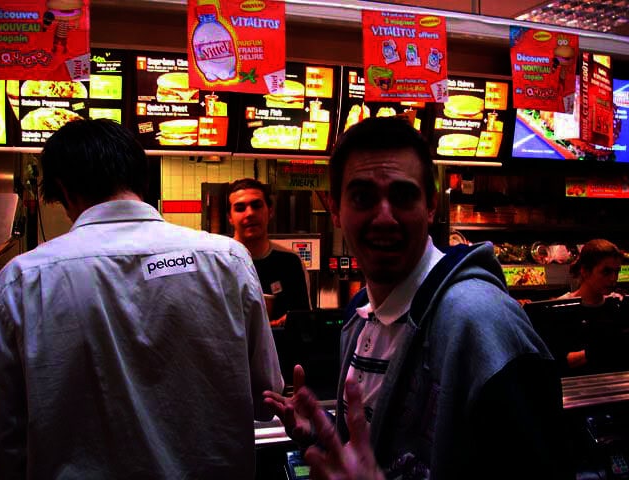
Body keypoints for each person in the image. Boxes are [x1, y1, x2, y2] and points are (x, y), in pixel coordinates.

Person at [265, 116, 568, 479]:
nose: (384, 218)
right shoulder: (360, 314)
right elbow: (379, 449)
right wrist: (321, 431)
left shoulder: (482, 321)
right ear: (335, 209)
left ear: (431, 206)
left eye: (403, 196)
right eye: (362, 197)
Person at [0, 119, 283, 479]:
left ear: (63, 189)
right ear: (140, 176)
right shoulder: (228, 260)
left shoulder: (20, 282)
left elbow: (4, 444)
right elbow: (267, 398)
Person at [227, 178, 311, 327]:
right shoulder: (220, 261)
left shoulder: (290, 262)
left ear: (270, 211)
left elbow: (304, 320)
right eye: (240, 208)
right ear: (230, 218)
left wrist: (289, 323)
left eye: (256, 205)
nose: (250, 213)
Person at [557, 238, 626, 372]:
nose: (613, 279)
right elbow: (557, 361)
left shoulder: (617, 305)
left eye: (616, 271)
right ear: (585, 271)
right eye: (606, 272)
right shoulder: (561, 308)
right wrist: (596, 351)